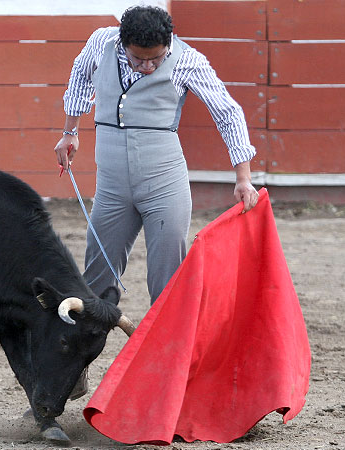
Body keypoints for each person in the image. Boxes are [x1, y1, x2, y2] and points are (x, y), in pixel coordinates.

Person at [54, 5, 260, 307]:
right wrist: (70, 130)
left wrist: (243, 177)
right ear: (123, 43)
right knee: (97, 278)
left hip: (164, 186)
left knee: (168, 281)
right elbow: (80, 75)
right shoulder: (102, 42)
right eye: (139, 58)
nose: (148, 66)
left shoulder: (187, 59)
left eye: (157, 58)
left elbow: (228, 113)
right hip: (112, 187)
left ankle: (169, 353)